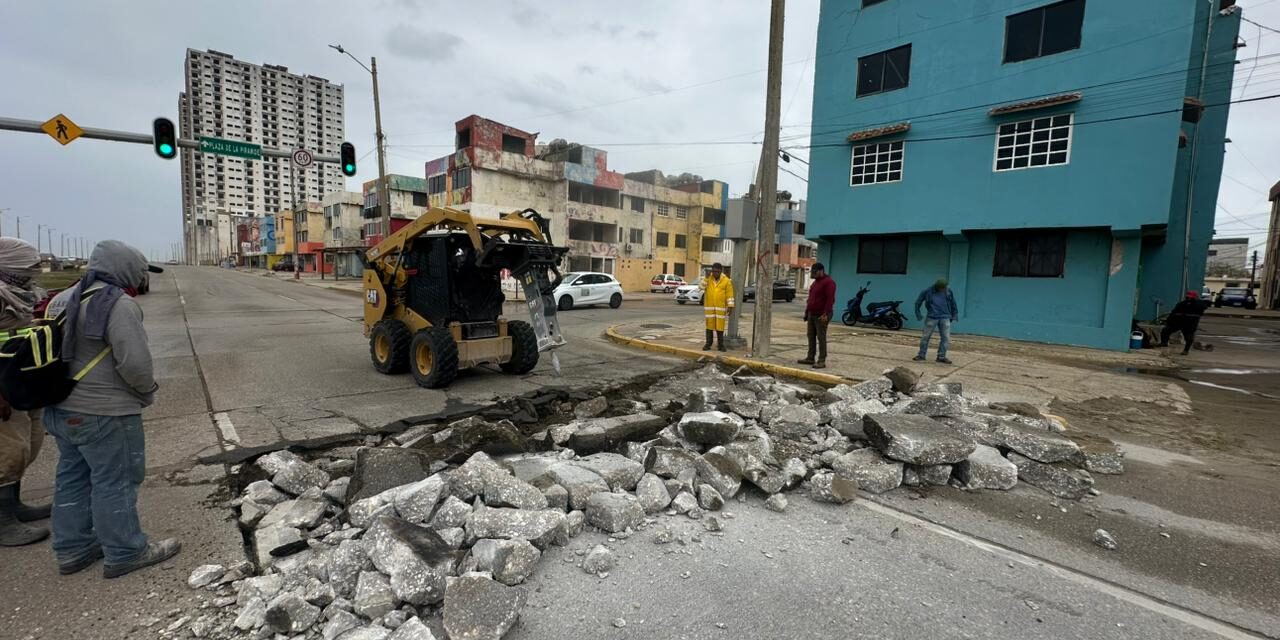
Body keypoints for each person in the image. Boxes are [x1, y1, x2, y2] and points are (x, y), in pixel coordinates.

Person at [42, 240, 180, 578]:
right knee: (115, 480)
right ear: (122, 268)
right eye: (139, 270)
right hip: (105, 412)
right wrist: (146, 393)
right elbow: (135, 364)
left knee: (72, 476)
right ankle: (125, 550)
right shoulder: (117, 304)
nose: (140, 276)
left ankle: (73, 548)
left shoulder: (61, 298)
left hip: (62, 408)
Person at [0, 238, 53, 547]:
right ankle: (4, 521)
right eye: (28, 267)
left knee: (28, 445)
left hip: (20, 380)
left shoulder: (16, 294)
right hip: (3, 388)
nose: (33, 273)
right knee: (8, 452)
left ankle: (15, 505)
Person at [798, 262, 836, 369]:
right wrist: (806, 312)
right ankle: (810, 357)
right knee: (810, 336)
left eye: (815, 272)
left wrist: (825, 314)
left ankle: (821, 360)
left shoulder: (829, 282)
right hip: (812, 313)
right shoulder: (814, 284)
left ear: (821, 271)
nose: (813, 274)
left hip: (822, 314)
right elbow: (810, 299)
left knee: (821, 337)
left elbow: (830, 300)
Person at [914, 279, 958, 364]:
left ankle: (941, 357)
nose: (944, 289)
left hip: (945, 317)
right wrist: (918, 314)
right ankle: (921, 355)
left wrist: (954, 314)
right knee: (925, 337)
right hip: (932, 317)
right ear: (937, 287)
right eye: (943, 288)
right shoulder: (927, 291)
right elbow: (918, 303)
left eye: (945, 288)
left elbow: (953, 303)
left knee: (946, 338)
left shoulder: (948, 291)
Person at [1161, 291, 1207, 355]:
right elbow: (1173, 313)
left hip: (1190, 324)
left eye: (1190, 297)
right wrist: (1169, 321)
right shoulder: (1181, 304)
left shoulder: (1199, 305)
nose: (1188, 299)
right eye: (1187, 297)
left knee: (1189, 337)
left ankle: (1186, 350)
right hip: (1178, 322)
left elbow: (1203, 307)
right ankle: (1164, 345)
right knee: (1165, 331)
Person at [702, 263, 734, 352]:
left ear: (721, 271)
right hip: (709, 308)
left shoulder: (726, 281)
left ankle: (721, 345)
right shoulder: (708, 278)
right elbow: (701, 287)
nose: (715, 273)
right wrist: (706, 278)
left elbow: (729, 294)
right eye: (714, 271)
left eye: (717, 271)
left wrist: (730, 306)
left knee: (720, 327)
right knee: (709, 326)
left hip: (721, 308)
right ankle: (708, 344)